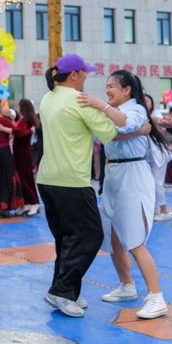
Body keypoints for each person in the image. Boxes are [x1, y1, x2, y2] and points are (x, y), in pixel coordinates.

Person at [78, 70, 168, 319]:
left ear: (127, 89)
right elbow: (107, 134)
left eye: (112, 86)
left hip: (132, 173)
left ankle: (156, 296)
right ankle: (127, 285)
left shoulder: (135, 109)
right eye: (106, 86)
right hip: (113, 173)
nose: (107, 90)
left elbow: (126, 123)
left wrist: (101, 105)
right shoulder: (114, 111)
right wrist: (134, 130)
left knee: (135, 240)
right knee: (114, 238)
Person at [36, 54, 121, 317]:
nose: (87, 77)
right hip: (71, 180)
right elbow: (110, 133)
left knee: (66, 238)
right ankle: (62, 291)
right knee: (91, 235)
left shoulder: (47, 98)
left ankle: (65, 290)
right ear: (74, 75)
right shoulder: (81, 100)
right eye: (85, 72)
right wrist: (106, 109)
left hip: (47, 178)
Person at [3, 98, 40, 216]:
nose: (18, 109)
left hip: (23, 154)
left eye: (19, 106)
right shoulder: (23, 120)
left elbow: (20, 133)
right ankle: (26, 204)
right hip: (19, 153)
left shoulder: (26, 120)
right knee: (21, 179)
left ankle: (34, 203)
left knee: (25, 179)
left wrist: (4, 129)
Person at [143, 93, 172, 221]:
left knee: (157, 183)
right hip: (146, 155)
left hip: (158, 154)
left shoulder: (156, 115)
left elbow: (162, 130)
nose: (146, 103)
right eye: (144, 101)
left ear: (152, 103)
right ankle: (153, 209)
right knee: (148, 184)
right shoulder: (139, 115)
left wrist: (148, 119)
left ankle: (164, 210)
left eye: (148, 101)